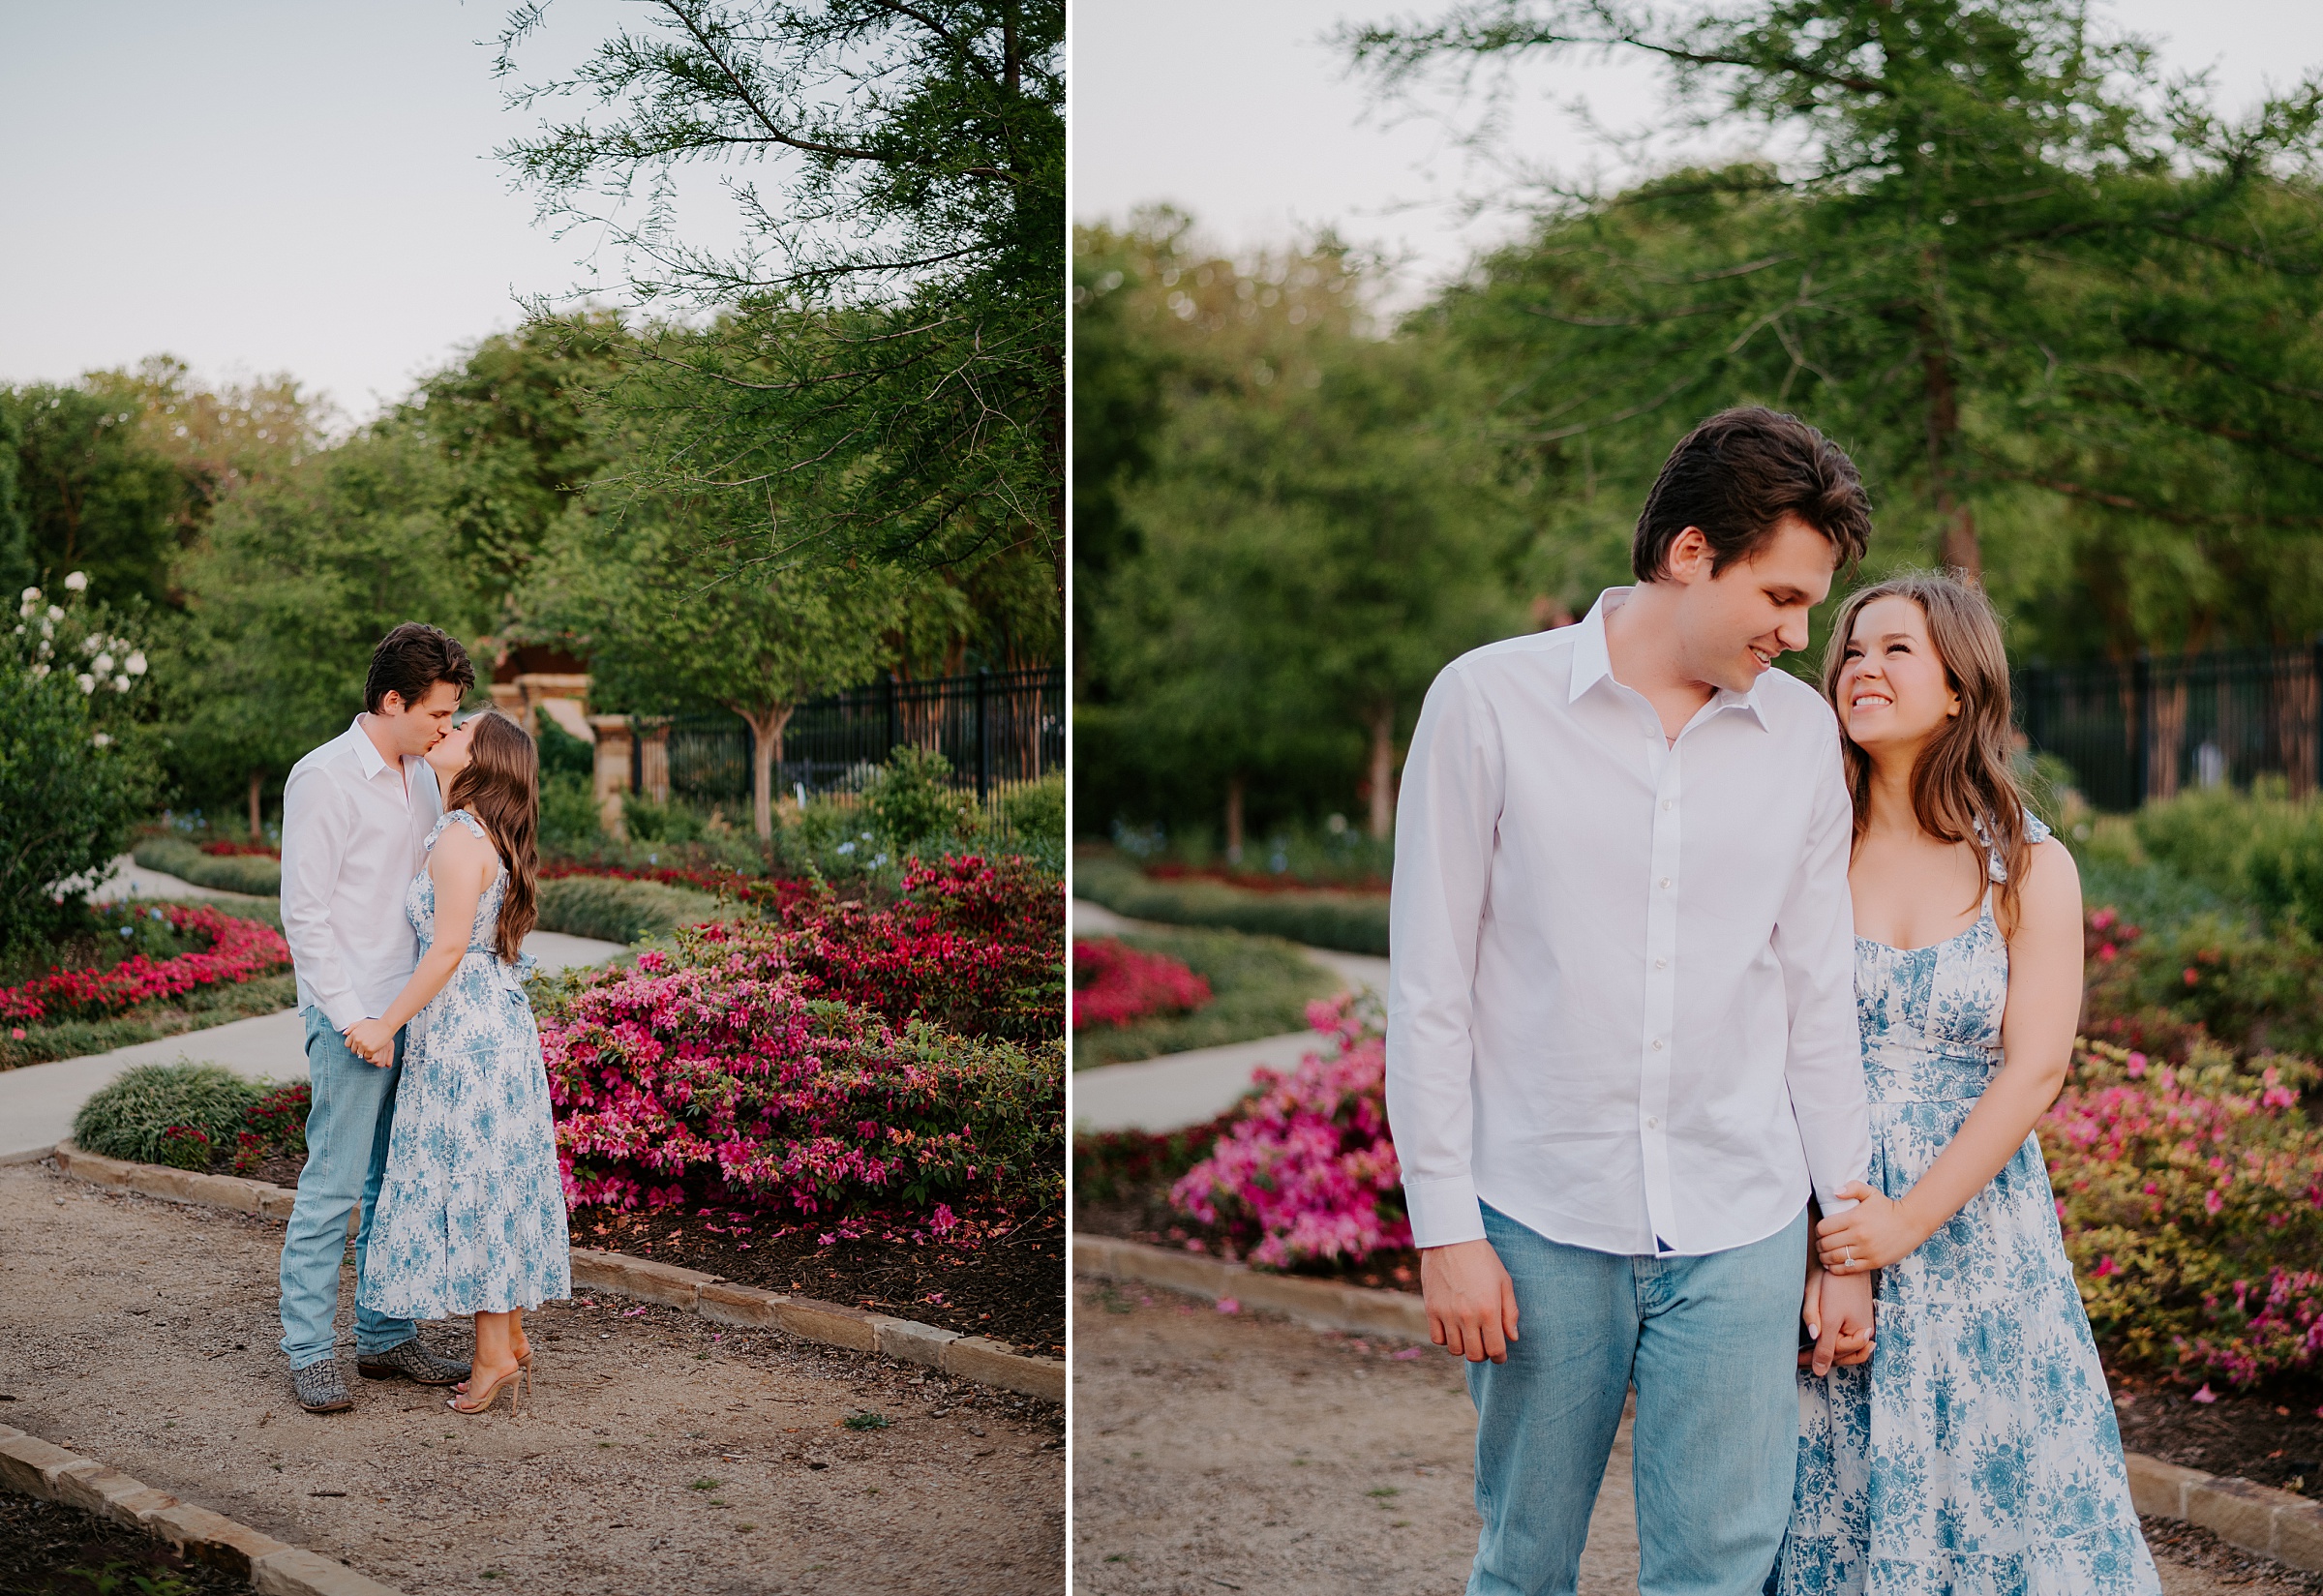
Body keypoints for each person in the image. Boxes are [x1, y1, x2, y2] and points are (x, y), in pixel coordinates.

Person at [1387, 406, 1881, 1596]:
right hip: (1537, 1213)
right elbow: (1429, 986)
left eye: (1810, 605)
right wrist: (1446, 1228)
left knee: (1718, 1570)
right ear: (1690, 552)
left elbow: (1818, 999)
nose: (1799, 634)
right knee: (1524, 1561)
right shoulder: (1486, 701)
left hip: (1742, 1220)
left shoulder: (1802, 735)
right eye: (1781, 596)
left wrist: (1846, 1237)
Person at [1770, 573, 2160, 1593]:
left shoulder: (2029, 865)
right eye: (1852, 651)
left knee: (1993, 1490)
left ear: (1958, 688)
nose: (1863, 667)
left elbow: (2036, 1069)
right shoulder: (1803, 850)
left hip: (1979, 1234)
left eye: (1896, 649)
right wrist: (1832, 1239)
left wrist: (1902, 1225)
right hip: (1815, 1210)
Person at [277, 622, 478, 1414]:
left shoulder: (425, 773)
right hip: (354, 1017)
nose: (446, 727)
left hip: (413, 1009)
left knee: (395, 1186)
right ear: (393, 701)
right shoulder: (322, 778)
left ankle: (385, 1334)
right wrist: (355, 1016)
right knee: (333, 1187)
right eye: (438, 713)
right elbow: (305, 914)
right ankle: (308, 1352)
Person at [350, 709, 571, 1416]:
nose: (449, 726)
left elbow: (446, 949)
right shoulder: (483, 835)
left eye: (464, 726)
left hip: (464, 1033)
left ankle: (493, 1355)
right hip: (493, 1024)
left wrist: (385, 1023)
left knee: (473, 1182)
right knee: (495, 1177)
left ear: (483, 761)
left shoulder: (457, 837)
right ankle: (509, 1335)